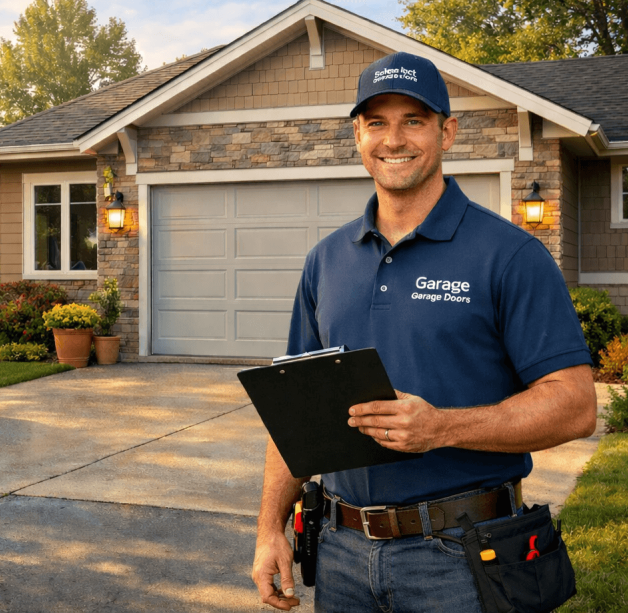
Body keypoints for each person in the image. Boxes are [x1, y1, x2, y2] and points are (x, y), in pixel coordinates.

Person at [251, 51, 597, 612]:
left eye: (414, 120)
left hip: (462, 557)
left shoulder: (509, 255)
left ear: (447, 131)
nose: (395, 139)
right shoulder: (327, 260)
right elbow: (294, 412)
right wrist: (269, 530)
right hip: (340, 555)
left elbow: (577, 406)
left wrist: (441, 426)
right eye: (376, 122)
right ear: (357, 136)